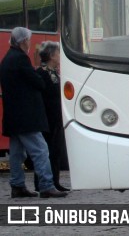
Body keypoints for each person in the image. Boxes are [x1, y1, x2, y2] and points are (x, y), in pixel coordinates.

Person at [0, 27, 67, 198]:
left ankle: (17, 185)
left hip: (13, 116)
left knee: (16, 153)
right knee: (41, 150)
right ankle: (46, 185)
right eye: (28, 40)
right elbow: (38, 83)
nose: (30, 43)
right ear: (23, 41)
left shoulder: (7, 59)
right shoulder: (21, 59)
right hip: (26, 116)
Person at [35, 41, 69, 192]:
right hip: (46, 118)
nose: (59, 56)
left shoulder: (56, 72)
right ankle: (42, 182)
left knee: (56, 151)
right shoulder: (41, 73)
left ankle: (55, 180)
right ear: (50, 56)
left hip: (56, 117)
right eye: (57, 53)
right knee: (45, 151)